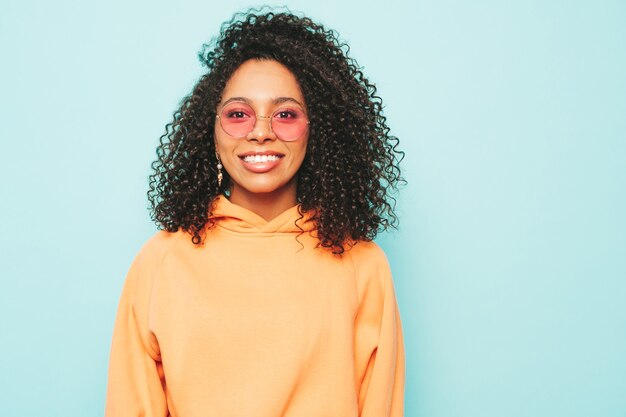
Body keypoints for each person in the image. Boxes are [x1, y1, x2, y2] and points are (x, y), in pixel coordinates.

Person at [105, 10, 405, 417]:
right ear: (209, 130)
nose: (260, 131)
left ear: (317, 129)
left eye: (285, 114)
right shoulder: (160, 262)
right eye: (238, 114)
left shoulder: (361, 264)